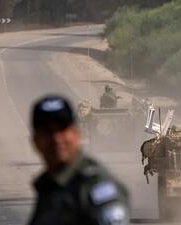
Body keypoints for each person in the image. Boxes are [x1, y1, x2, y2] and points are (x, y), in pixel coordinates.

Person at [28, 95, 129, 225]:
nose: (56, 139)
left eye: (62, 129)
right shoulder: (49, 186)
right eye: (47, 132)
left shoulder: (97, 189)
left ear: (76, 134)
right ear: (35, 141)